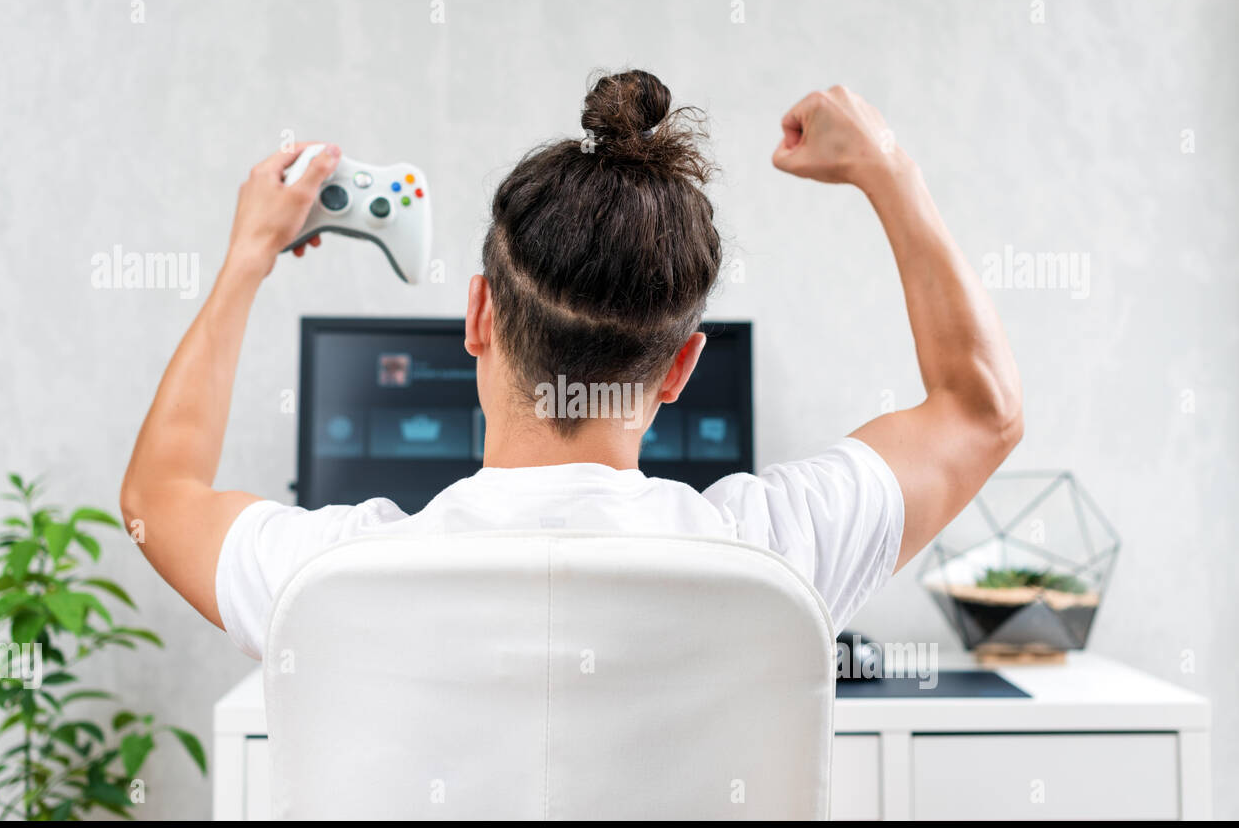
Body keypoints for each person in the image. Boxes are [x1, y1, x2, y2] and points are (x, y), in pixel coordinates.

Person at [120, 70, 1022, 660]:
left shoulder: (329, 579)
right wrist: (888, 168)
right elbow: (982, 409)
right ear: (681, 370)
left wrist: (247, 258)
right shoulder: (774, 558)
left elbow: (157, 501)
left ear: (477, 315)